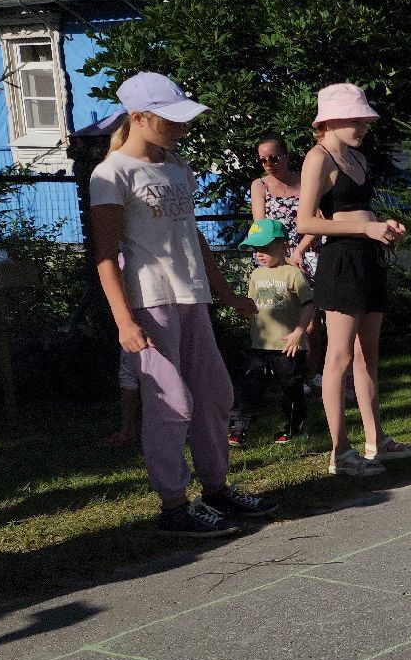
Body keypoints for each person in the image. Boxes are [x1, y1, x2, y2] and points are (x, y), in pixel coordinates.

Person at [89, 72, 277, 537]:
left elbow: (193, 237)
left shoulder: (178, 168)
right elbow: (104, 255)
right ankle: (174, 505)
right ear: (137, 117)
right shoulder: (111, 173)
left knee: (215, 394)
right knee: (171, 401)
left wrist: (228, 293)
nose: (181, 128)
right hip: (149, 304)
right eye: (170, 120)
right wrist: (122, 321)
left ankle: (216, 490)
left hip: (191, 297)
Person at [293, 83, 411, 476]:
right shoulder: (318, 157)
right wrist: (365, 230)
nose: (363, 124)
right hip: (341, 262)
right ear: (329, 120)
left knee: (368, 356)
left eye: (365, 118)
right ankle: (340, 453)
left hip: (369, 259)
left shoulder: (358, 158)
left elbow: (360, 213)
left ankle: (375, 440)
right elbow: (306, 221)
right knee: (339, 357)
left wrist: (385, 227)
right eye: (355, 117)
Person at [228, 218, 314, 447]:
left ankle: (293, 426)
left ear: (283, 245)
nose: (260, 254)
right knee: (251, 386)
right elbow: (252, 306)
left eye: (265, 248)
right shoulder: (256, 276)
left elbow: (309, 304)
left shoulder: (293, 274)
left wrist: (298, 332)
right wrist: (246, 320)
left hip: (288, 346)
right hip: (260, 345)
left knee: (290, 388)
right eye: (256, 249)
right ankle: (239, 429)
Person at [253, 133, 324, 385]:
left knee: (311, 321)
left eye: (274, 157)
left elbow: (318, 220)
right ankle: (287, 376)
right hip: (275, 259)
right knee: (280, 319)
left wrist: (299, 252)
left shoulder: (305, 183)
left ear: (286, 156)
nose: (269, 164)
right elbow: (260, 227)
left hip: (306, 253)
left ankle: (311, 374)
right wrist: (281, 258)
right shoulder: (259, 186)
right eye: (263, 160)